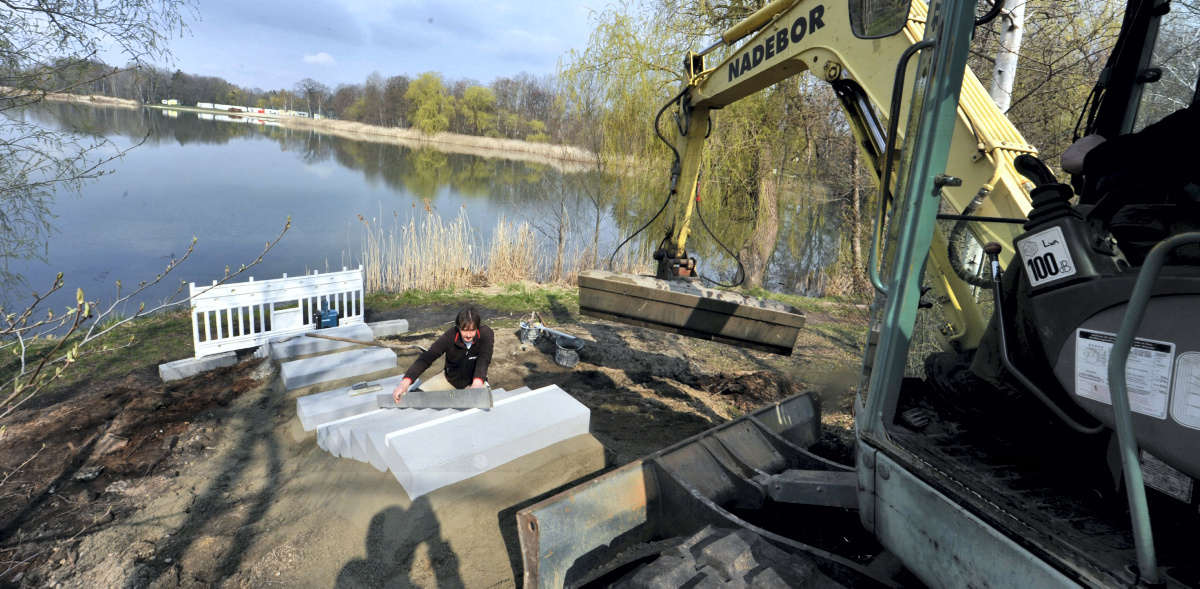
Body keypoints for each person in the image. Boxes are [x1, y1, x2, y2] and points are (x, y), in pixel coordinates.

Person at [392, 308, 494, 403]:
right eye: (465, 330)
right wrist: (404, 384)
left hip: (475, 381)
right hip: (449, 380)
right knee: (415, 398)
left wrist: (477, 384)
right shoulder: (449, 337)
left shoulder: (486, 334)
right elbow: (427, 357)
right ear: (458, 327)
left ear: (477, 327)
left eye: (472, 330)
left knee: (481, 406)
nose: (468, 335)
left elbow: (484, 358)